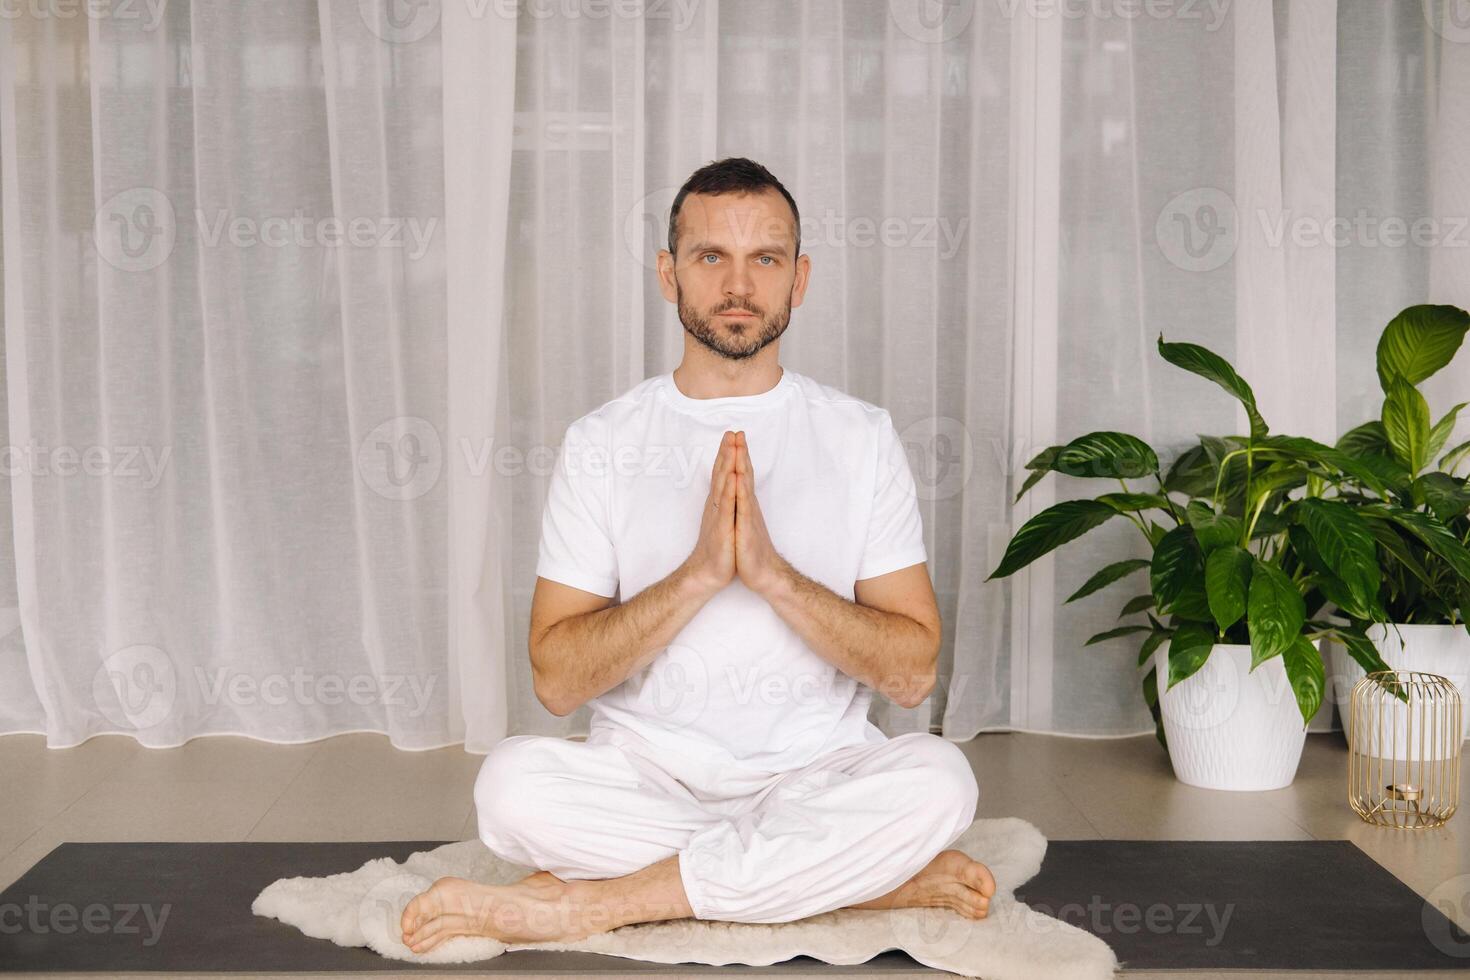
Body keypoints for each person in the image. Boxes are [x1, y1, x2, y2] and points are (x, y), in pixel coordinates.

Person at [401, 158, 992, 953]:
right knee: (510, 788)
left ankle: (601, 904)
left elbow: (913, 674)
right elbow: (556, 679)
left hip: (817, 776)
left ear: (800, 278)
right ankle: (864, 880)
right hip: (649, 779)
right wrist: (700, 577)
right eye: (711, 256)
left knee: (941, 782)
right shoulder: (603, 442)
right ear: (668, 274)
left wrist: (776, 580)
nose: (738, 285)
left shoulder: (861, 437)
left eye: (766, 259)